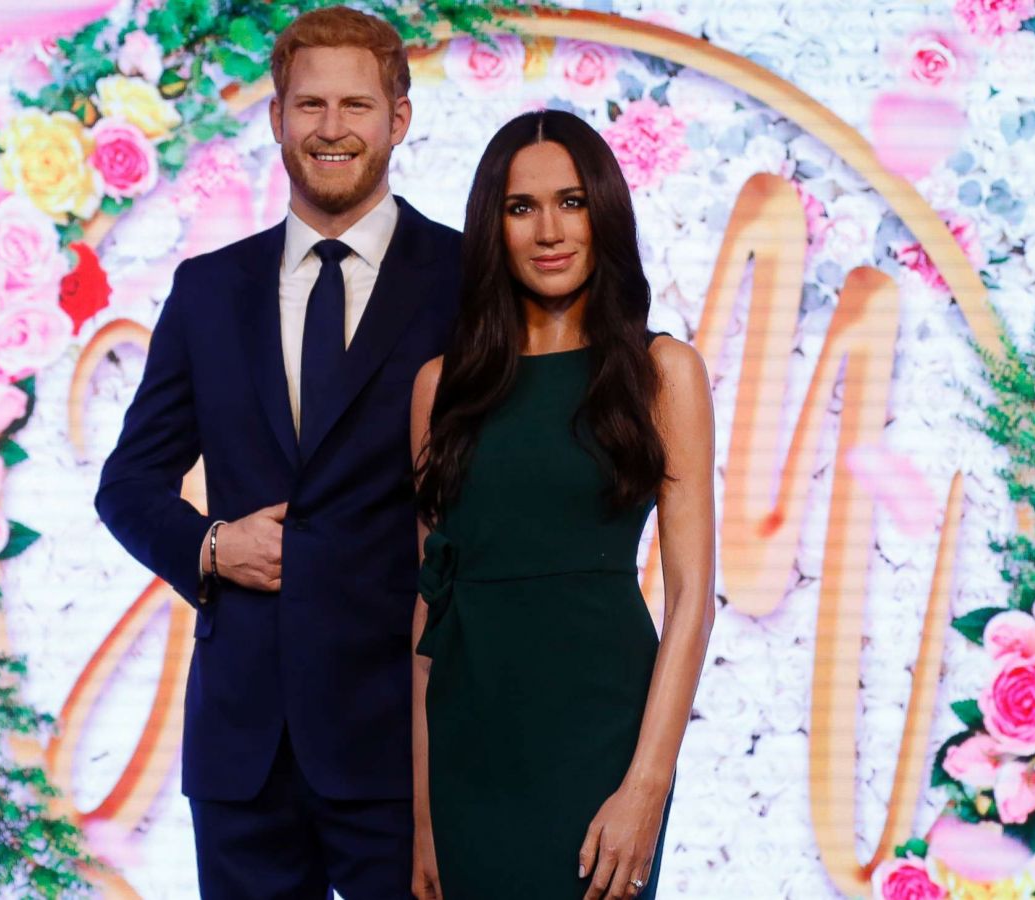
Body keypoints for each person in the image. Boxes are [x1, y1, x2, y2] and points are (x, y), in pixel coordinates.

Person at [93, 7, 461, 897]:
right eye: (309, 106)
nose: (331, 128)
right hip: (243, 747)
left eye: (355, 106)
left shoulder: (469, 279)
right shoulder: (209, 290)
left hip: (406, 743)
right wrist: (212, 547)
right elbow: (128, 485)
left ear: (398, 120)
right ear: (276, 119)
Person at [409, 109, 716, 899]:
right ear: (493, 226)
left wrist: (647, 785)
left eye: (572, 202)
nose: (549, 229)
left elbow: (689, 600)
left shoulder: (663, 372)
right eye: (521, 207)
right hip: (469, 752)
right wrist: (423, 818)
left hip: (603, 741)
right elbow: (427, 613)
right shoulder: (440, 389)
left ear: (604, 212)